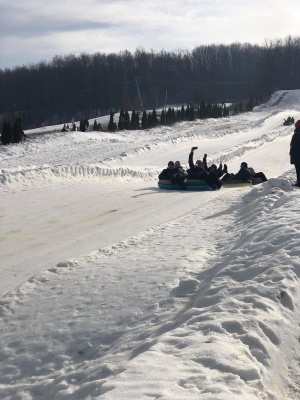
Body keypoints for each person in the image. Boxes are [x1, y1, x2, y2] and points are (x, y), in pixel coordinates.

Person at [290, 120, 300, 187]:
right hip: (297, 154)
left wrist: (292, 153)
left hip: (297, 155)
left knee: (298, 168)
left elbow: (294, 145)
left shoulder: (297, 134)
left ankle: (299, 182)